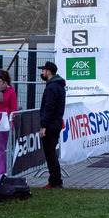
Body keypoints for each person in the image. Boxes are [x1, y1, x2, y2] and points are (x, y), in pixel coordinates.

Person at [39, 61, 66, 189]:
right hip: (56, 123)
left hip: (51, 125)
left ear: (48, 72)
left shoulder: (51, 87)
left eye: (43, 70)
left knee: (50, 154)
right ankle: (55, 179)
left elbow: (49, 108)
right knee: (51, 153)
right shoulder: (58, 86)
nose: (42, 73)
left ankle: (55, 181)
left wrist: (43, 126)